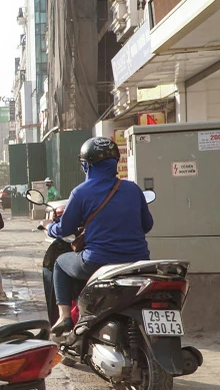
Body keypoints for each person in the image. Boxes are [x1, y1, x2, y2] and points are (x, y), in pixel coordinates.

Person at [47, 137, 153, 336]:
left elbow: (64, 229)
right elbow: (148, 225)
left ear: (86, 165)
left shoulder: (80, 192)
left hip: (97, 262)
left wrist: (49, 228)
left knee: (60, 263)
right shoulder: (133, 189)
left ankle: (64, 317)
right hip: (138, 262)